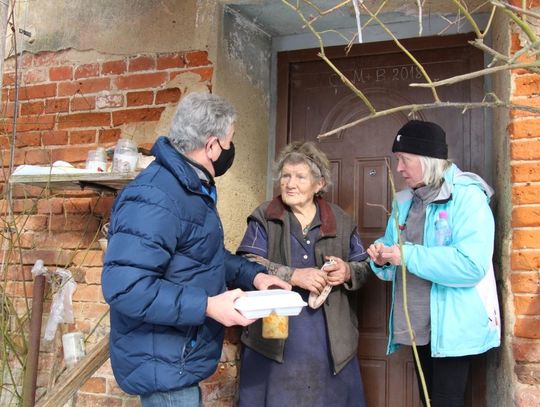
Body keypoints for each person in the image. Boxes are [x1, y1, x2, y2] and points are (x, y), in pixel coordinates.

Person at [101, 92, 290, 407]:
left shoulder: (189, 188)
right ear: (213, 145)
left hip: (177, 362)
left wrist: (255, 277)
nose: (231, 150)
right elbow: (125, 288)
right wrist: (207, 305)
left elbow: (202, 257)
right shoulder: (156, 196)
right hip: (165, 369)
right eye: (229, 142)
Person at [366, 120, 500, 407]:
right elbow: (394, 255)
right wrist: (381, 257)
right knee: (428, 401)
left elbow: (470, 264)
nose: (399, 168)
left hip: (453, 327)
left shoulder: (466, 196)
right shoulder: (404, 202)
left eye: (405, 159)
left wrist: (406, 255)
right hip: (417, 325)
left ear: (428, 160)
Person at [237, 141, 370, 407]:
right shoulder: (266, 216)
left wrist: (346, 271)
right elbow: (246, 262)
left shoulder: (341, 221)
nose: (290, 183)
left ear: (319, 184)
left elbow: (364, 267)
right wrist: (293, 275)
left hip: (330, 339)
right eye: (285, 176)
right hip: (275, 337)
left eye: (300, 177)